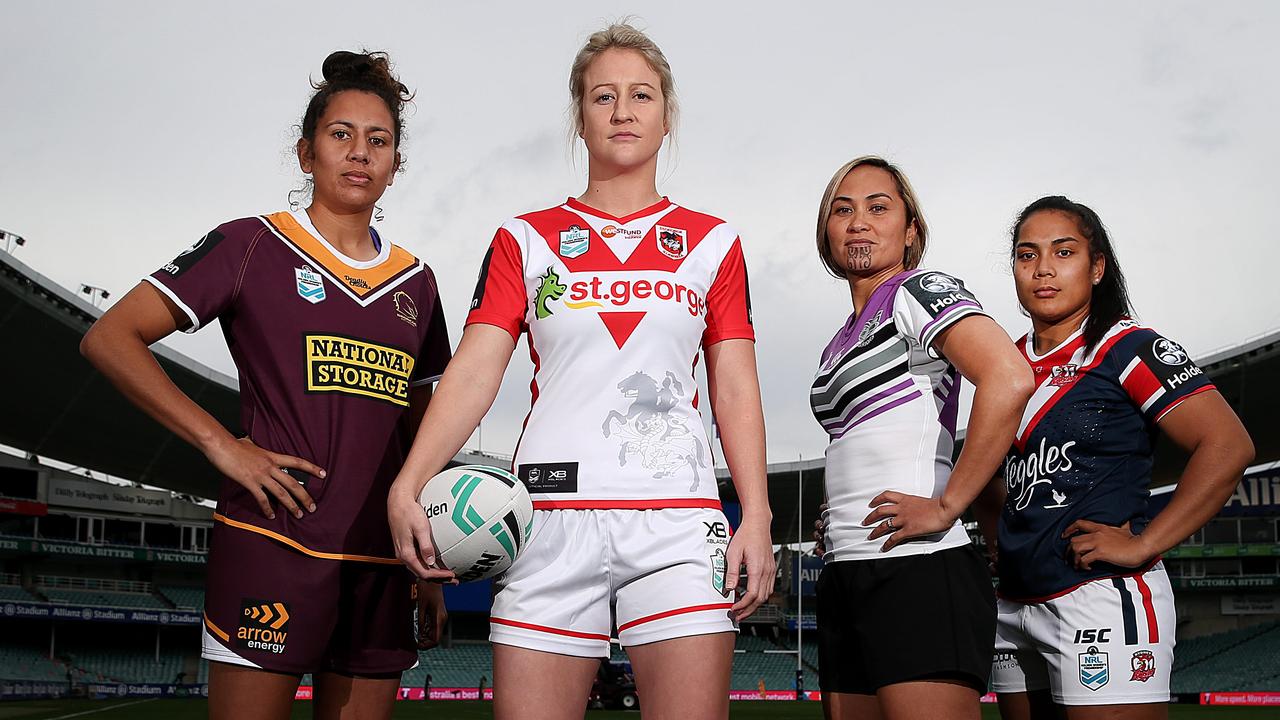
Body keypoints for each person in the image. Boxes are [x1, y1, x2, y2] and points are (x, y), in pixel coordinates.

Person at [386, 22, 774, 720]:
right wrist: (409, 482)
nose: (623, 110)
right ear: (580, 116)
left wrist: (758, 515)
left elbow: (734, 385)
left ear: (666, 117)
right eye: (603, 96)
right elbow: (475, 373)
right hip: (545, 520)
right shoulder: (524, 239)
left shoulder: (715, 242)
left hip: (680, 522)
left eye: (641, 95)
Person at [80, 51, 452, 720]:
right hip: (273, 542)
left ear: (396, 165)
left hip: (379, 558)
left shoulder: (417, 284)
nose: (359, 152)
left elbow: (419, 430)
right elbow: (109, 337)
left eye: (379, 139)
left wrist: (426, 552)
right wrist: (222, 445)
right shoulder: (251, 244)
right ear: (306, 153)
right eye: (341, 135)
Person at [982, 196, 1254, 719]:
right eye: (1026, 254)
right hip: (1013, 604)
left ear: (1098, 266)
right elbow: (992, 472)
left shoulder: (1126, 347)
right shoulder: (1005, 366)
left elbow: (1227, 445)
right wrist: (998, 539)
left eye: (1064, 252)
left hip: (1099, 597)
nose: (1043, 269)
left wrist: (1145, 542)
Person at [809, 156, 1034, 720]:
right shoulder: (838, 340)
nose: (858, 221)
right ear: (827, 232)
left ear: (911, 233)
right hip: (845, 569)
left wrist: (947, 504)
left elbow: (1008, 378)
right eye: (844, 209)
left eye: (878, 208)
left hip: (918, 567)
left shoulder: (919, 290)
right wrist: (835, 511)